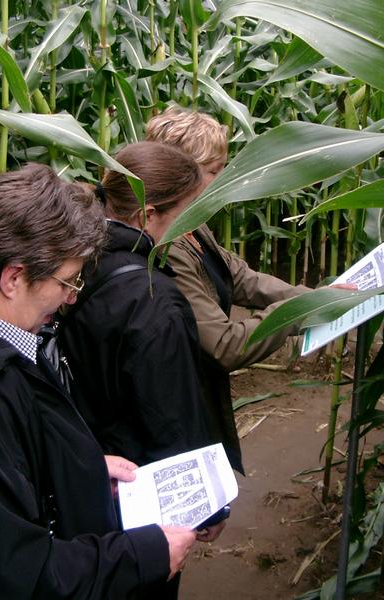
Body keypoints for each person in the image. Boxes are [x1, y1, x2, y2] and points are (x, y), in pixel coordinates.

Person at [0, 163, 194, 599]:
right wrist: (144, 556)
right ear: (13, 278)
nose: (71, 296)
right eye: (67, 280)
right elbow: (11, 576)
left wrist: (76, 472)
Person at [57, 143, 230, 549]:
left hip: (91, 474)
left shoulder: (81, 258)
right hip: (140, 487)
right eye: (188, 212)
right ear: (148, 214)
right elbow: (171, 415)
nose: (193, 225)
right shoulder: (153, 297)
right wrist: (205, 505)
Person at [145, 107, 314, 473]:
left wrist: (313, 296)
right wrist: (296, 313)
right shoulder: (167, 246)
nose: (223, 180)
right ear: (179, 173)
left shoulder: (191, 224)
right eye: (213, 172)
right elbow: (224, 346)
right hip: (178, 405)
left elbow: (238, 276)